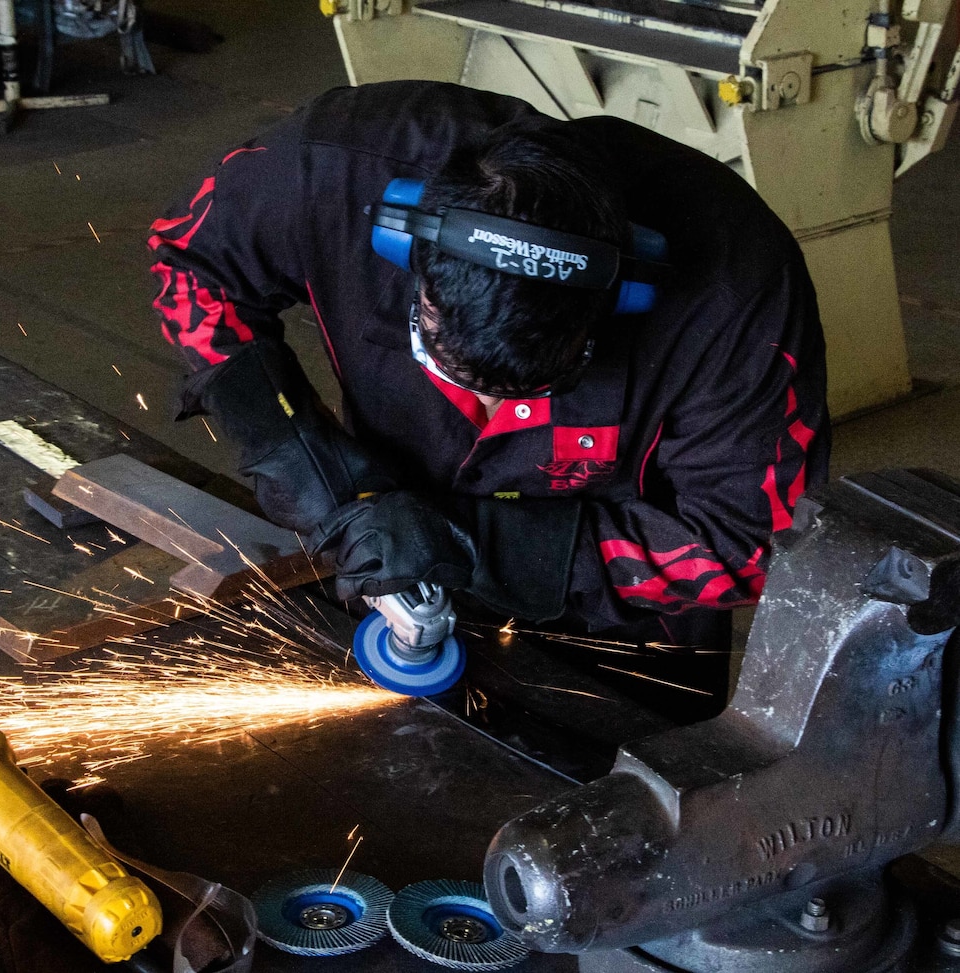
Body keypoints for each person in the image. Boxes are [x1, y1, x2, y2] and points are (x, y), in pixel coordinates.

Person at [146, 80, 829, 654]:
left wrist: (472, 544)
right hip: (380, 555)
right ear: (403, 240)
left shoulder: (736, 295)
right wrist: (310, 470)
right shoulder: (337, 166)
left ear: (618, 304)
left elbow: (747, 546)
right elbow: (191, 262)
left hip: (610, 630)